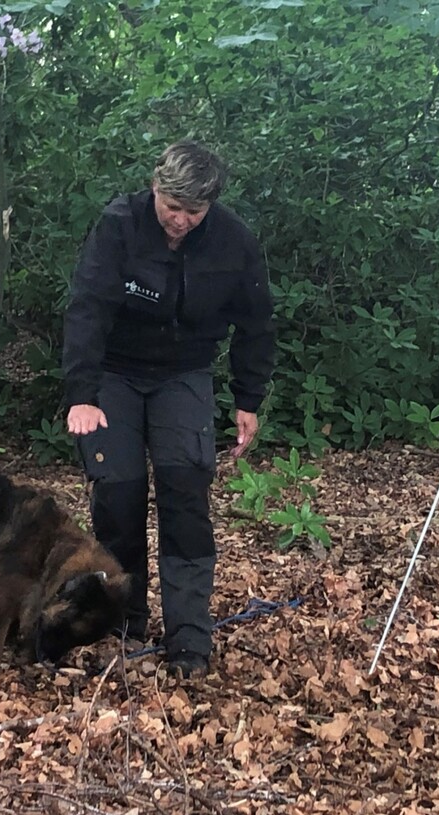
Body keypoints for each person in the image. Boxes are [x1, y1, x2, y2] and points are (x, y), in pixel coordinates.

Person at [62, 139, 276, 678]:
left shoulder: (232, 242)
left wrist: (248, 398)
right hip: (115, 372)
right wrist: (82, 394)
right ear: (155, 189)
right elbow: (87, 309)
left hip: (184, 374)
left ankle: (188, 636)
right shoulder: (119, 225)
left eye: (193, 212)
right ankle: (122, 617)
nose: (180, 221)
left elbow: (256, 323)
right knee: (118, 489)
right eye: (172, 208)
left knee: (185, 492)